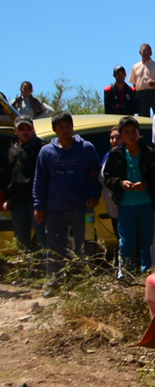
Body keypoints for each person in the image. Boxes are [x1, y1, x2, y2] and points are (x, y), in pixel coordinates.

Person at [32, 112, 101, 296]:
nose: (65, 130)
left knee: (84, 245)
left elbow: (96, 175)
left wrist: (94, 195)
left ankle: (87, 282)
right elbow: (40, 181)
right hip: (54, 208)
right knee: (54, 247)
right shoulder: (46, 152)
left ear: (72, 127)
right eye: (61, 127)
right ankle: (54, 283)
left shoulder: (86, 148)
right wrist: (38, 205)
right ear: (55, 130)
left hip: (81, 207)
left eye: (68, 126)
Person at [102, 115, 155, 280]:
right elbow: (108, 178)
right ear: (121, 134)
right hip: (125, 204)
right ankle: (125, 274)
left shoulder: (148, 152)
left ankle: (147, 273)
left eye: (133, 131)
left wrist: (147, 184)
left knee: (147, 242)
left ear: (138, 133)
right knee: (126, 242)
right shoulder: (116, 154)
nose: (130, 135)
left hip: (146, 203)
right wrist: (121, 183)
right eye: (126, 132)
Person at [3, 116, 46, 252]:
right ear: (16, 131)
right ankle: (30, 271)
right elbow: (7, 178)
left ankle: (51, 271)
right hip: (18, 204)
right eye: (21, 129)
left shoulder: (42, 148)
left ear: (33, 129)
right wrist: (7, 199)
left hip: (37, 202)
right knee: (22, 244)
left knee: (45, 240)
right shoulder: (12, 151)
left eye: (28, 128)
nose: (25, 132)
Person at [129, 44, 155, 117]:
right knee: (143, 116)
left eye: (148, 51)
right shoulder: (135, 67)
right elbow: (134, 84)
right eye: (144, 51)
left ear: (151, 53)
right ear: (140, 52)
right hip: (141, 94)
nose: (146, 53)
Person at [98, 126, 122, 222]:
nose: (114, 141)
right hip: (113, 210)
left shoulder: (127, 156)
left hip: (125, 209)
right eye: (112, 138)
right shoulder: (108, 156)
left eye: (118, 138)